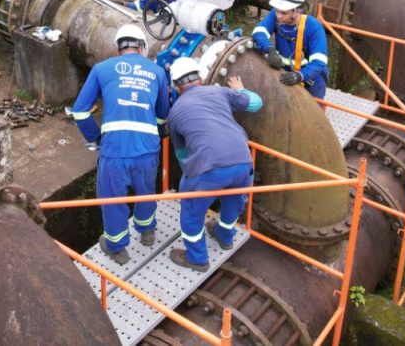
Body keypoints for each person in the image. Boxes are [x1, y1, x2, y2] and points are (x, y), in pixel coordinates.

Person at [70, 25, 171, 265]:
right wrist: (152, 134)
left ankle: (116, 247)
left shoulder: (101, 69)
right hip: (147, 149)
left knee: (113, 199)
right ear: (141, 46)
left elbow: (80, 112)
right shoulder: (157, 72)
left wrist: (96, 138)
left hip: (114, 150)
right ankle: (147, 232)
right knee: (146, 191)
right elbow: (162, 114)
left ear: (118, 49)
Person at [165, 57, 263, 272]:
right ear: (200, 78)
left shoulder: (175, 113)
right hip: (243, 161)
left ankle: (197, 259)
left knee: (191, 211)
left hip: (208, 168)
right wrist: (240, 90)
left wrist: (193, 183)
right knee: (234, 201)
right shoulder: (220, 92)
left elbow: (183, 154)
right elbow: (256, 103)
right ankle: (225, 236)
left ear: (175, 86)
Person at [251, 0, 329, 99]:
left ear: (298, 10)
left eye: (284, 13)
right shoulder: (277, 14)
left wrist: (300, 76)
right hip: (285, 73)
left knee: (310, 114)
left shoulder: (314, 27)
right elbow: (258, 32)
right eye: (277, 11)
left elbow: (319, 62)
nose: (278, 16)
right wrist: (270, 49)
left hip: (311, 79)